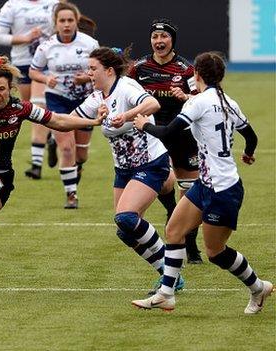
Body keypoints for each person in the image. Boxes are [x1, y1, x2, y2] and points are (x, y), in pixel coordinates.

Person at [0, 56, 103, 298]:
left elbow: (58, 120)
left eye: (1, 89)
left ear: (11, 89)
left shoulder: (20, 108)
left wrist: (92, 121)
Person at [131, 52, 272, 314]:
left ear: (196, 74)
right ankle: (166, 294)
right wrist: (248, 154)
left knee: (215, 252)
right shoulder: (229, 102)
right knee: (174, 230)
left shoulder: (197, 103)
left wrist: (143, 125)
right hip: (207, 184)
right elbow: (250, 136)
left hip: (223, 190)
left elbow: (166, 133)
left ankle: (257, 287)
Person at [72, 47, 186, 293]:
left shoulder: (126, 87)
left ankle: (171, 272)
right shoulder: (97, 97)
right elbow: (69, 120)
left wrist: (126, 116)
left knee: (126, 217)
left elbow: (152, 104)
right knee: (125, 230)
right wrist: (35, 114)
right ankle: (172, 277)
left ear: (109, 71)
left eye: (93, 69)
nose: (88, 74)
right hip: (123, 169)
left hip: (150, 162)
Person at [128, 19, 203, 264]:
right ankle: (172, 213)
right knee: (164, 183)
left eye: (164, 37)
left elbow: (204, 99)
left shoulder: (185, 69)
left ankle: (191, 248)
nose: (159, 41)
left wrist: (187, 96)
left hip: (182, 136)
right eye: (155, 37)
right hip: (150, 135)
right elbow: (124, 93)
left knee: (189, 192)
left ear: (172, 40)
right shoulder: (138, 68)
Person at [29, 2, 98, 208]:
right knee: (67, 149)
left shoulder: (90, 44)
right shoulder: (46, 46)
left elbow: (100, 70)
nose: (66, 24)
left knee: (81, 154)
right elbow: (33, 71)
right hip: (57, 100)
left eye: (70, 20)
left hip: (85, 102)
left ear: (76, 22)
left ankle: (54, 145)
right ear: (56, 23)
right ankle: (71, 195)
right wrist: (45, 79)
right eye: (62, 21)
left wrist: (86, 78)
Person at [0, 0, 58, 180]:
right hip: (22, 63)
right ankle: (51, 136)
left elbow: (63, 26)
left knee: (39, 106)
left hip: (46, 64)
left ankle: (36, 164)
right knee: (30, 112)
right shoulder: (12, 5)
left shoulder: (53, 3)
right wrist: (27, 38)